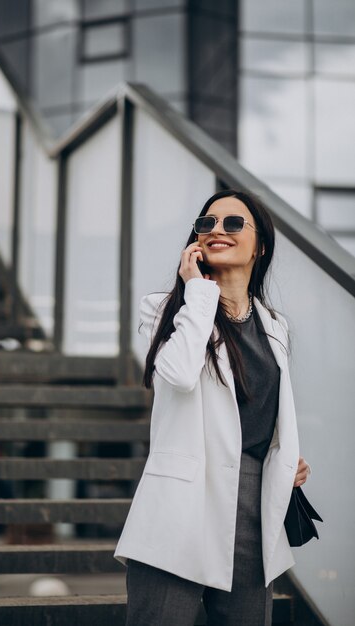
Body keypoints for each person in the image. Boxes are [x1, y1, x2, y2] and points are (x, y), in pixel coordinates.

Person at [114, 189, 311, 626]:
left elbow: (262, 416)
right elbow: (181, 374)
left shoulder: (274, 327)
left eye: (233, 223)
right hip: (181, 508)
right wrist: (197, 293)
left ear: (260, 245)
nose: (217, 230)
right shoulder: (165, 310)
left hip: (254, 511)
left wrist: (283, 458)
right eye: (207, 223)